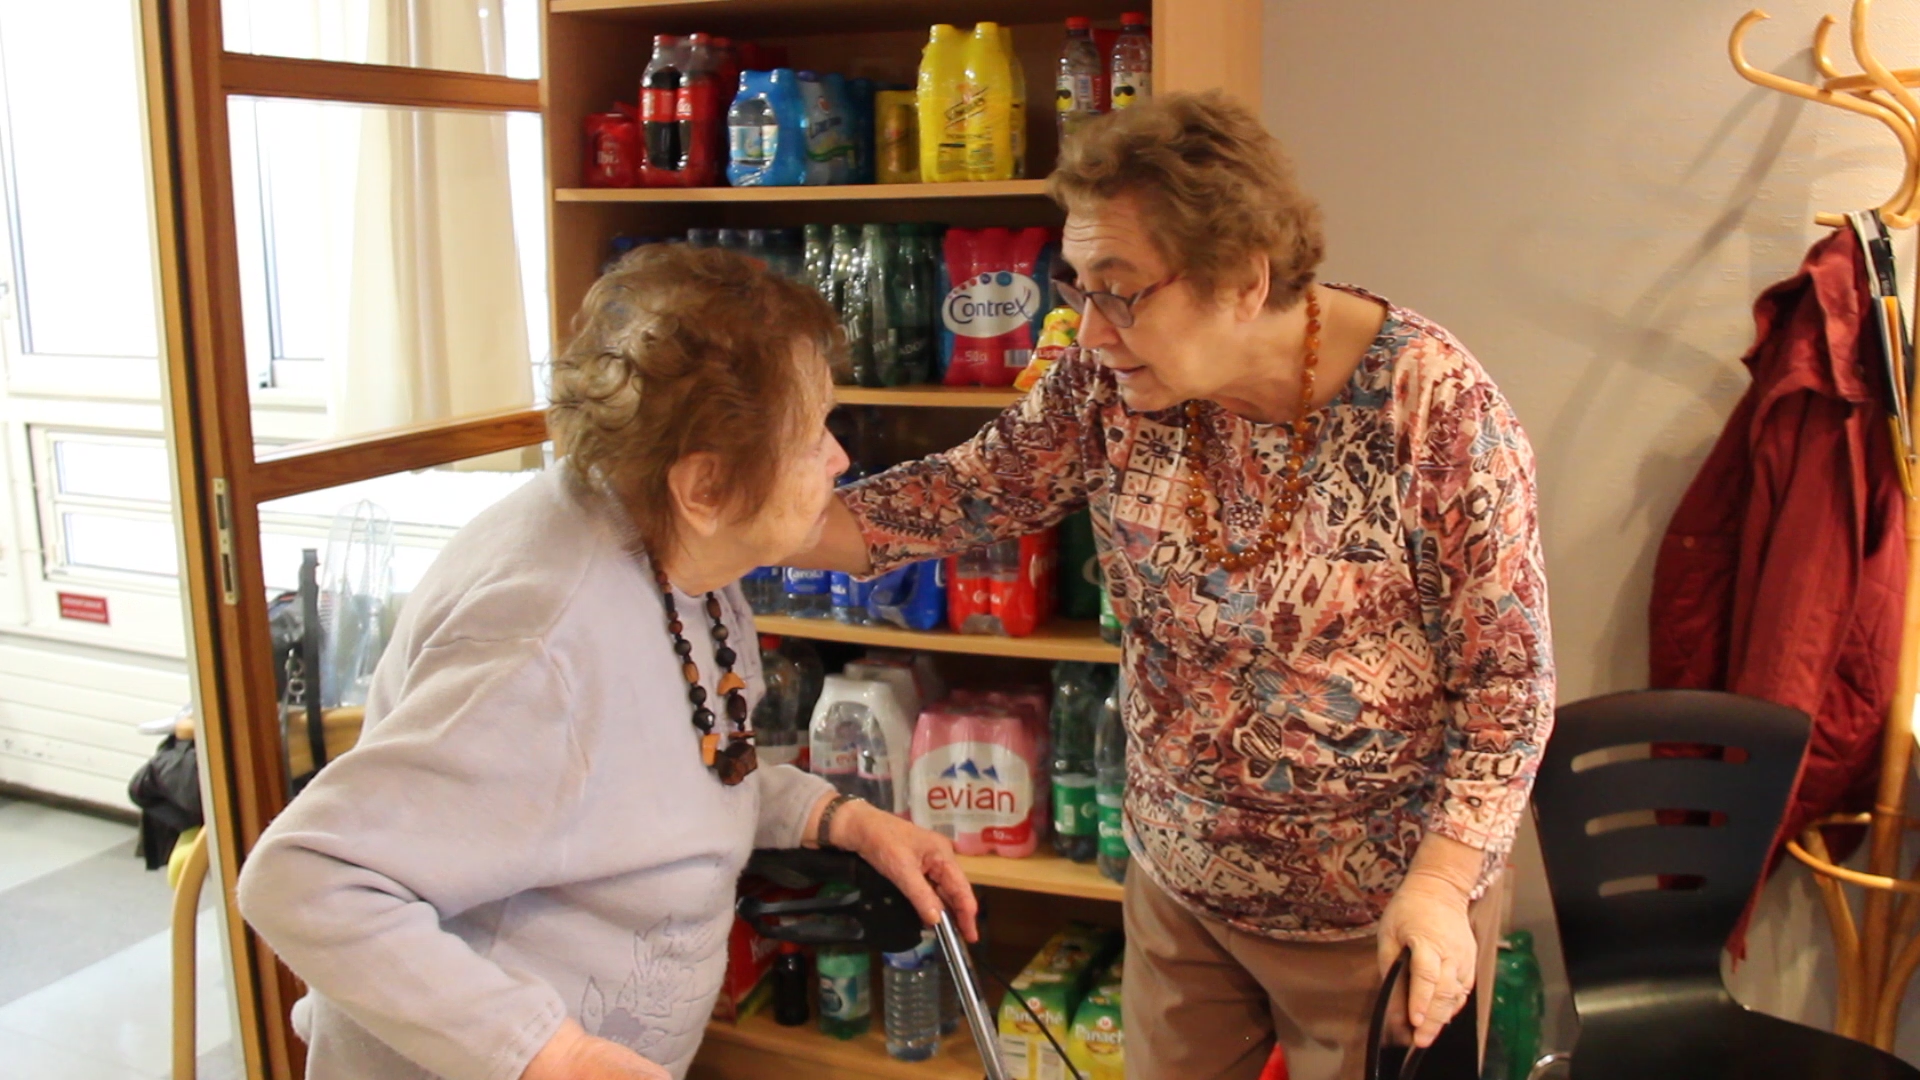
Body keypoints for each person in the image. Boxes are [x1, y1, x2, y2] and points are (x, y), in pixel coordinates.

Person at [800, 91, 1553, 1080]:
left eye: (1121, 291)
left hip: (1378, 918)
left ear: (1245, 279)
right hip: (1180, 891)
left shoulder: (1432, 406)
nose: (1091, 328)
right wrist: (749, 522)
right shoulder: (1107, 384)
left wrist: (1444, 886)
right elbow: (962, 494)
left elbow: (1507, 686)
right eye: (1078, 287)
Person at [237, 245, 978, 1080]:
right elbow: (306, 877)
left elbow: (647, 777)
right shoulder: (539, 639)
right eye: (811, 437)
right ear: (704, 487)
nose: (839, 459)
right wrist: (549, 1055)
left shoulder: (669, 546)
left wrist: (836, 816)